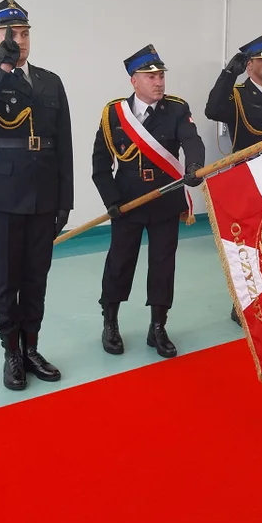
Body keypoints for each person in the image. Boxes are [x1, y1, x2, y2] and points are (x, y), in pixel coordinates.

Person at [0, 0, 73, 391]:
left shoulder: (49, 81)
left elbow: (64, 143)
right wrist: (3, 68)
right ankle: (11, 352)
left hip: (44, 191)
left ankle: (32, 348)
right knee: (7, 277)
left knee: (36, 277)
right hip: (3, 194)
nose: (20, 41)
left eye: (24, 34)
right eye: (11, 35)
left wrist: (65, 199)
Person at [92, 45, 206, 357]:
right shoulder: (114, 114)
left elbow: (192, 140)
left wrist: (195, 166)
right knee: (119, 263)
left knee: (162, 264)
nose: (159, 82)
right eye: (150, 76)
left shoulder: (177, 109)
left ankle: (158, 326)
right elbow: (100, 164)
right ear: (134, 81)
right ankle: (110, 322)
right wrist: (111, 200)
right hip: (127, 202)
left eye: (161, 76)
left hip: (165, 199)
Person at [205, 35, 262, 325]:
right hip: (248, 179)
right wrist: (228, 74)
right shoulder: (238, 94)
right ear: (249, 65)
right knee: (247, 245)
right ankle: (242, 301)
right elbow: (212, 110)